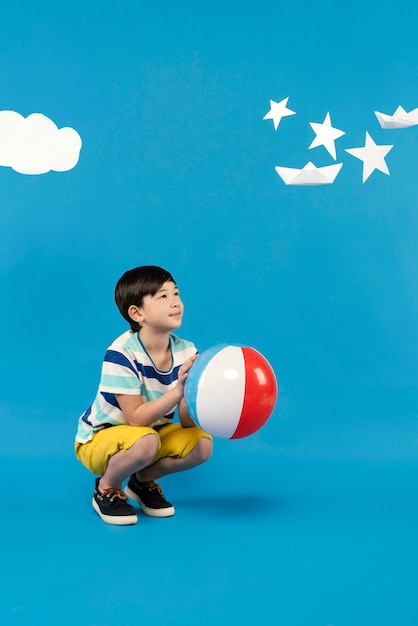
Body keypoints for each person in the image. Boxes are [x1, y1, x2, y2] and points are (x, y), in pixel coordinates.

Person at [75, 265, 213, 525]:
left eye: (176, 293)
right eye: (163, 297)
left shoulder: (187, 350)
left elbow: (186, 422)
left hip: (148, 434)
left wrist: (198, 395)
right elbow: (136, 419)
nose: (175, 302)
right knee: (146, 440)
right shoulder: (121, 353)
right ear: (137, 313)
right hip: (101, 436)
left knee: (202, 444)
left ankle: (141, 482)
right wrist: (179, 390)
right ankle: (107, 487)